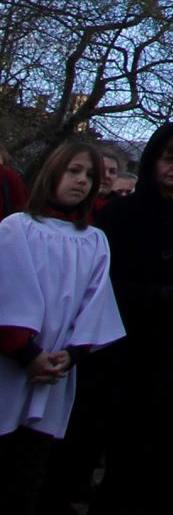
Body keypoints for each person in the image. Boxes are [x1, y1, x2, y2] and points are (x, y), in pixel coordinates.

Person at [92, 123, 173, 515]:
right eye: (170, 158)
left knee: (167, 455)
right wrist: (153, 295)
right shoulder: (120, 212)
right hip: (124, 348)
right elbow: (103, 282)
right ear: (153, 161)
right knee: (125, 454)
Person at [0, 141, 124, 511]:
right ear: (53, 171)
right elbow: (8, 290)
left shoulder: (94, 241)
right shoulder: (16, 228)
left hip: (55, 373)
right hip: (11, 366)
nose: (83, 181)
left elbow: (95, 304)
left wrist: (70, 355)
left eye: (91, 175)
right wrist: (25, 352)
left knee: (29, 472)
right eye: (74, 171)